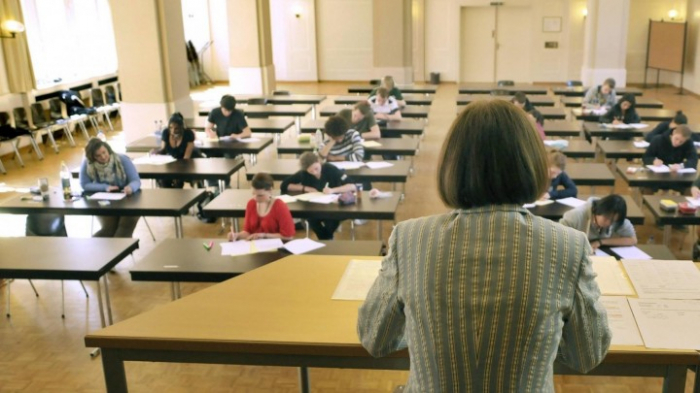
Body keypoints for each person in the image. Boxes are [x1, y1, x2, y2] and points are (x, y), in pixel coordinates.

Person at [358, 100, 610, 392]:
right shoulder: (568, 245)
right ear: (531, 163)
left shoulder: (409, 238)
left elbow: (375, 337)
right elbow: (588, 354)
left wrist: (422, 331)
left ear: (452, 164)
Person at [280, 152, 357, 240]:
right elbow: (284, 185)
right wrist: (305, 188)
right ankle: (327, 240)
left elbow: (352, 186)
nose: (314, 172)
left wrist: (333, 190)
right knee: (311, 218)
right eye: (311, 171)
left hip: (334, 206)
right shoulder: (304, 173)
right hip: (315, 207)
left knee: (331, 219)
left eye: (316, 168)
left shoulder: (329, 169)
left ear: (319, 161)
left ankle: (325, 240)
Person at [79, 138, 141, 237]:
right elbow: (84, 184)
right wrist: (105, 187)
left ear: (108, 150)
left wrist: (130, 187)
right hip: (104, 202)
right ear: (92, 157)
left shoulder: (122, 159)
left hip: (128, 199)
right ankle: (92, 250)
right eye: (98, 156)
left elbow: (136, 180)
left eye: (104, 152)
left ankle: (117, 250)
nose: (103, 157)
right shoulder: (87, 164)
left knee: (125, 227)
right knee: (109, 229)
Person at [228, 173, 295, 241]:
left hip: (275, 248)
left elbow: (288, 236)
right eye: (254, 194)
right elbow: (247, 231)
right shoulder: (251, 204)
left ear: (270, 190)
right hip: (254, 247)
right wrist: (237, 235)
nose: (256, 198)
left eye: (260, 195)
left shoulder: (279, 206)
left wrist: (264, 236)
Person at [559, 194, 637, 251]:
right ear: (599, 211)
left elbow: (632, 239)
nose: (608, 223)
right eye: (606, 218)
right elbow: (559, 239)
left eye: (613, 221)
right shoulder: (575, 216)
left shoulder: (617, 219)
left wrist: (600, 242)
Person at [151, 112, 201, 188]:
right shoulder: (166, 133)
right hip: (172, 163)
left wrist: (176, 172)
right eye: (171, 128)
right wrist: (155, 153)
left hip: (187, 163)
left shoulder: (188, 134)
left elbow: (186, 158)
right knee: (163, 179)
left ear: (181, 128)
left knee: (178, 179)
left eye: (176, 128)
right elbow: (163, 149)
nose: (173, 130)